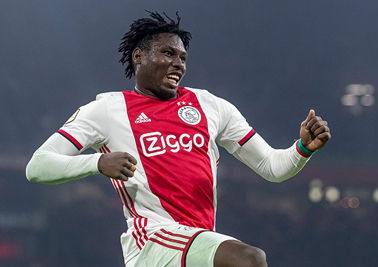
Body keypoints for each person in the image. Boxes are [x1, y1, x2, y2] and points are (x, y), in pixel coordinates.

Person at [26, 11, 331, 267]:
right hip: (152, 242)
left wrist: (302, 147)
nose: (179, 64)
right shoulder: (106, 110)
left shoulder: (210, 106)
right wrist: (98, 162)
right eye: (168, 53)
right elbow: (38, 166)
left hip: (196, 245)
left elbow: (272, 167)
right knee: (250, 259)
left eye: (183, 58)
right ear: (139, 57)